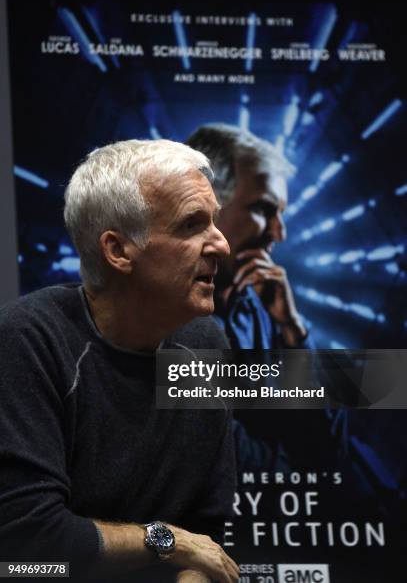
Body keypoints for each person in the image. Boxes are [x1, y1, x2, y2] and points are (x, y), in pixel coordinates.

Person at [0, 139, 239, 583]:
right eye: (192, 225)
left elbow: (210, 531)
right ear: (118, 250)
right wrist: (167, 540)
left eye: (215, 222)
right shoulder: (27, 339)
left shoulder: (205, 343)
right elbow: (28, 543)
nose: (221, 245)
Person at [187, 124, 335, 472]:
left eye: (280, 213)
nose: (278, 233)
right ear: (202, 206)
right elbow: (226, 460)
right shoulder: (161, 319)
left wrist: (293, 332)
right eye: (264, 210)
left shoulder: (257, 307)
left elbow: (323, 443)